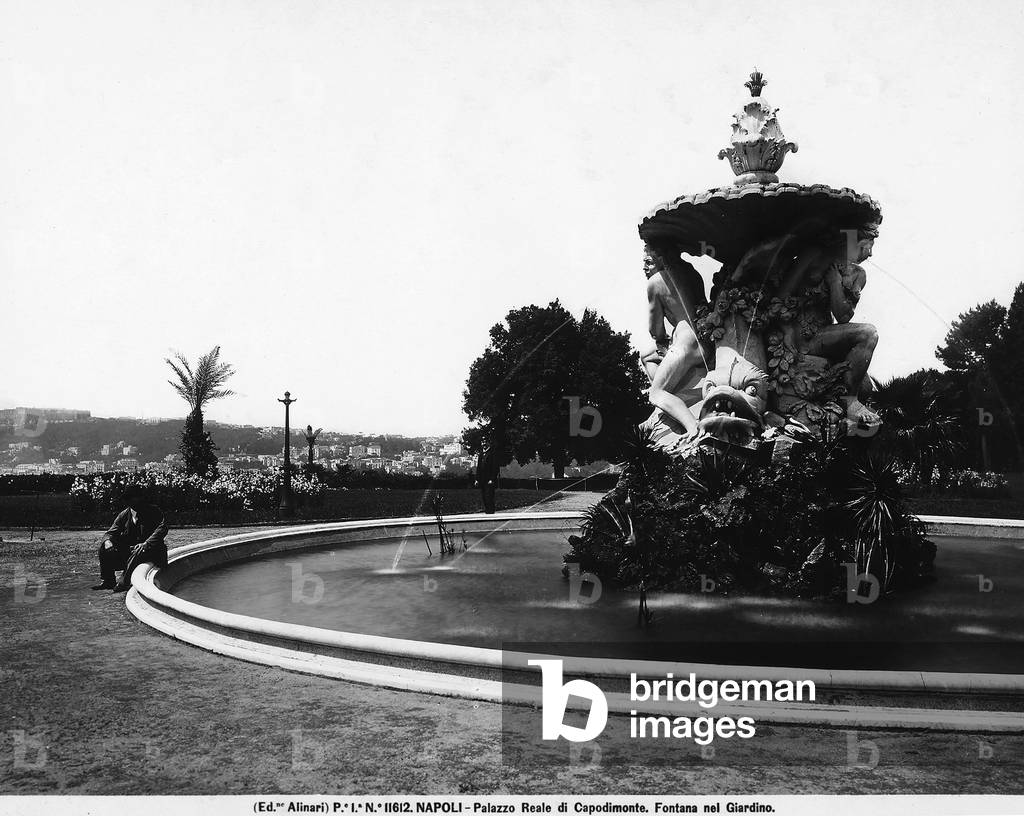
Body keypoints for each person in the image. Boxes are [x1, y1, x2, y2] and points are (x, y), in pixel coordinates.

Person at [91, 484, 168, 592]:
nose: (135, 501)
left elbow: (162, 529)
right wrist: (108, 541)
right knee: (104, 547)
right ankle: (108, 581)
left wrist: (147, 543)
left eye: (137, 497)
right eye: (131, 498)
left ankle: (124, 583)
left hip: (152, 551)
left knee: (138, 550)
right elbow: (110, 533)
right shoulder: (124, 515)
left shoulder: (154, 511)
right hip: (131, 553)